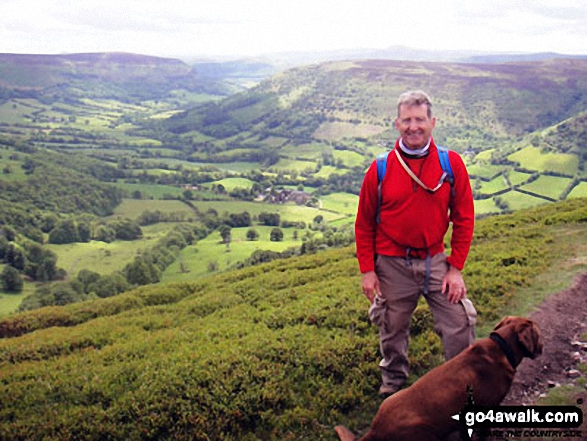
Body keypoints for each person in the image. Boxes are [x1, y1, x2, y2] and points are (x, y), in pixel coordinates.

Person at [355, 90, 477, 398]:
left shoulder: (452, 164)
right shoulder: (379, 169)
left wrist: (456, 268)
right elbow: (364, 223)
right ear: (397, 124)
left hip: (436, 261)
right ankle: (393, 383)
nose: (413, 126)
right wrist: (368, 271)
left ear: (432, 122)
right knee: (392, 326)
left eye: (420, 119)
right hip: (391, 264)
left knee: (459, 320)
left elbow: (464, 217)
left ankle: (463, 384)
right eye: (407, 120)